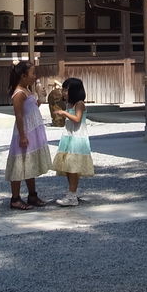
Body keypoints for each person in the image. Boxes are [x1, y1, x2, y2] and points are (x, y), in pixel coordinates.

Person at [5, 59, 51, 210]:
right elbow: (19, 115)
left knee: (29, 163)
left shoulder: (27, 90)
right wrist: (22, 135)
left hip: (32, 130)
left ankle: (32, 195)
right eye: (33, 73)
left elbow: (32, 107)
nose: (34, 76)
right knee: (19, 165)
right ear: (23, 76)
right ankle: (15, 198)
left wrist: (40, 99)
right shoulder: (19, 93)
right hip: (24, 132)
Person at [51, 77, 94, 206]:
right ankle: (72, 192)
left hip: (77, 138)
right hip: (69, 137)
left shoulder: (79, 104)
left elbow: (77, 119)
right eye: (63, 90)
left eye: (66, 90)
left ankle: (72, 195)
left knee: (73, 167)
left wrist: (64, 113)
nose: (64, 92)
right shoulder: (69, 104)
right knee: (68, 167)